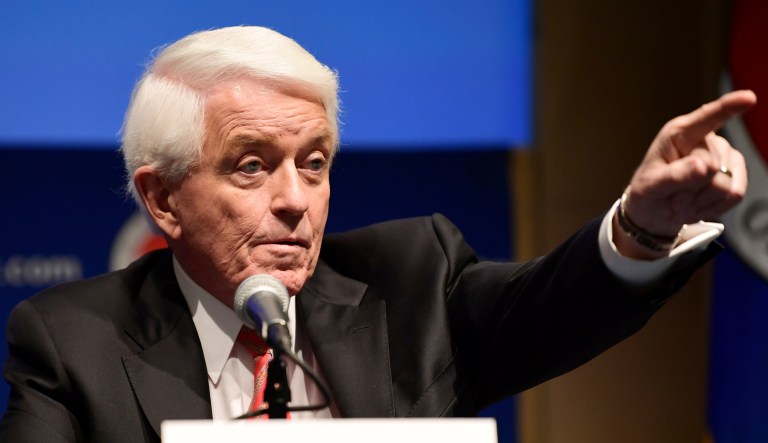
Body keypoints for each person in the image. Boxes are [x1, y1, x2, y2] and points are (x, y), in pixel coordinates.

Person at [0, 26, 756, 442]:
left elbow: (552, 307)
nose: (297, 201)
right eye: (253, 166)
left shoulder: (410, 285)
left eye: (316, 163)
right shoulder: (74, 343)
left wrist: (640, 225)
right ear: (161, 199)